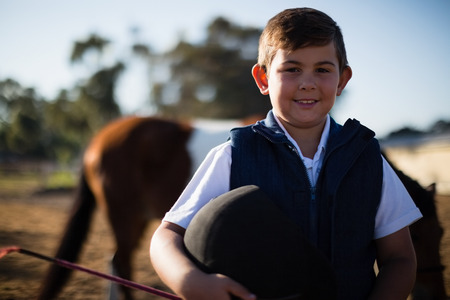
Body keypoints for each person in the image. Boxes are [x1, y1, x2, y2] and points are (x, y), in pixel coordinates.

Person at [150, 7, 422, 300]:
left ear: (342, 79)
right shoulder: (233, 155)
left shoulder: (366, 158)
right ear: (263, 78)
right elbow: (167, 236)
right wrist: (191, 281)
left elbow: (400, 258)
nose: (308, 82)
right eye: (292, 69)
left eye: (322, 69)